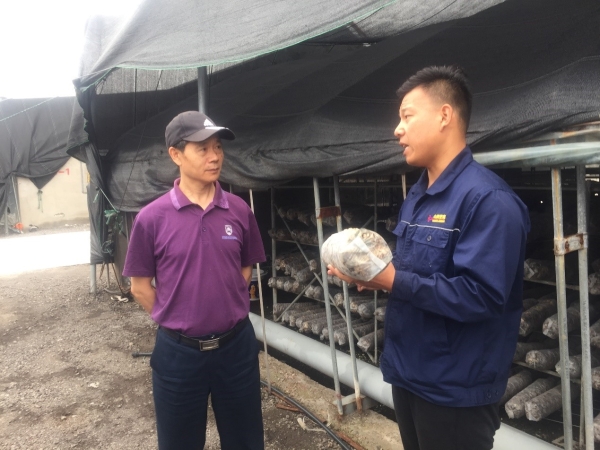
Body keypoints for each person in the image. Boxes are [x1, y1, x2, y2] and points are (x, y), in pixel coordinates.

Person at [328, 66, 530, 450]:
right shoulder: (418, 196)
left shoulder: (488, 201)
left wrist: (391, 281)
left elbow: (482, 296)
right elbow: (414, 273)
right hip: (411, 375)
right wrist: (369, 274)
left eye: (407, 116)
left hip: (455, 390)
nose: (397, 130)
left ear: (444, 116)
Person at [123, 111, 266, 450]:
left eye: (218, 147)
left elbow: (246, 267)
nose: (215, 156)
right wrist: (179, 316)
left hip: (236, 348)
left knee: (246, 441)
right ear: (176, 154)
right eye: (202, 148)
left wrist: (226, 299)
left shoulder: (239, 210)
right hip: (179, 355)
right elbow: (140, 287)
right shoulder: (151, 218)